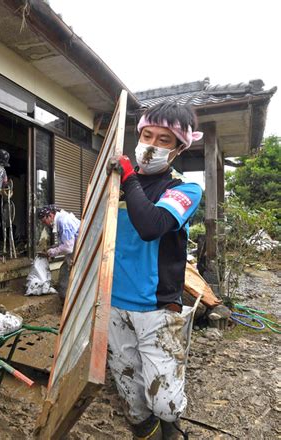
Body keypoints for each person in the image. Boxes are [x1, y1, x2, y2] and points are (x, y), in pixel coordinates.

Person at [107, 101, 203, 439]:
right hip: (113, 300)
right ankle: (145, 430)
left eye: (164, 140)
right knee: (127, 383)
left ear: (178, 149)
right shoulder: (114, 187)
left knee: (164, 398)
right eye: (147, 135)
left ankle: (170, 429)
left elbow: (151, 225)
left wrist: (129, 178)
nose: (151, 145)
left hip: (156, 307)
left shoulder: (184, 189)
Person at [37, 204, 80, 299]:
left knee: (66, 272)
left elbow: (68, 247)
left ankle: (66, 300)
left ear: (51, 216)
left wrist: (53, 251)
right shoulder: (62, 219)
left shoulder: (63, 222)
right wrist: (55, 246)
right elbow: (67, 241)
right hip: (78, 245)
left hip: (80, 246)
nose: (45, 224)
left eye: (45, 221)